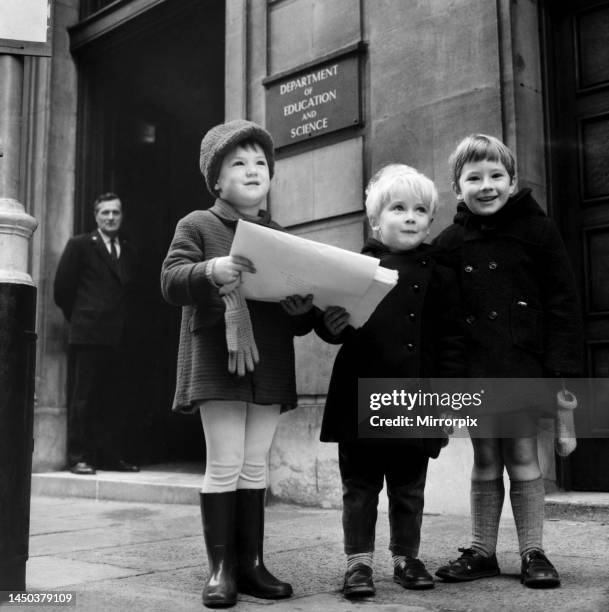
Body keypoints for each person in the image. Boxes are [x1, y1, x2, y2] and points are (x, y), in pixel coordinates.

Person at [160, 119, 315, 608]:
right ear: (216, 179)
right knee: (225, 462)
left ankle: (251, 565)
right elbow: (170, 280)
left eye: (261, 163)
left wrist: (300, 309)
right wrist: (211, 269)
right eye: (239, 163)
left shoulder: (278, 235)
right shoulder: (197, 225)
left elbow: (293, 314)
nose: (253, 170)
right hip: (216, 358)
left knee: (255, 465)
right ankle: (221, 569)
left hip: (267, 360)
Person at [433, 134, 582, 588]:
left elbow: (562, 301)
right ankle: (482, 550)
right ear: (457, 188)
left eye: (496, 175)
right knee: (484, 457)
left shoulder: (538, 230)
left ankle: (533, 552)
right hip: (475, 369)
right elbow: (435, 309)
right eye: (473, 177)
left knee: (521, 453)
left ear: (512, 181)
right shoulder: (450, 242)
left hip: (522, 364)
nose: (486, 185)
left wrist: (559, 373)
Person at [316, 164, 465, 599]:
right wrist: (331, 321)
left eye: (421, 210)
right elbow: (331, 328)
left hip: (416, 395)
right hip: (361, 393)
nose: (411, 217)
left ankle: (406, 556)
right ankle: (358, 563)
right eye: (398, 208)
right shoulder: (356, 266)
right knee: (359, 487)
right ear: (375, 219)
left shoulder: (439, 274)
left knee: (408, 486)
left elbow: (453, 339)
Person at [54, 193, 140, 475]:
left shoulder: (127, 249)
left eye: (115, 212)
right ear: (96, 216)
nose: (111, 218)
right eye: (105, 213)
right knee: (84, 398)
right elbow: (62, 290)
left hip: (118, 336)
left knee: (114, 398)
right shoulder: (80, 245)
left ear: (122, 215)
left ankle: (109, 456)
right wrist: (81, 319)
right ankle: (78, 456)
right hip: (88, 334)